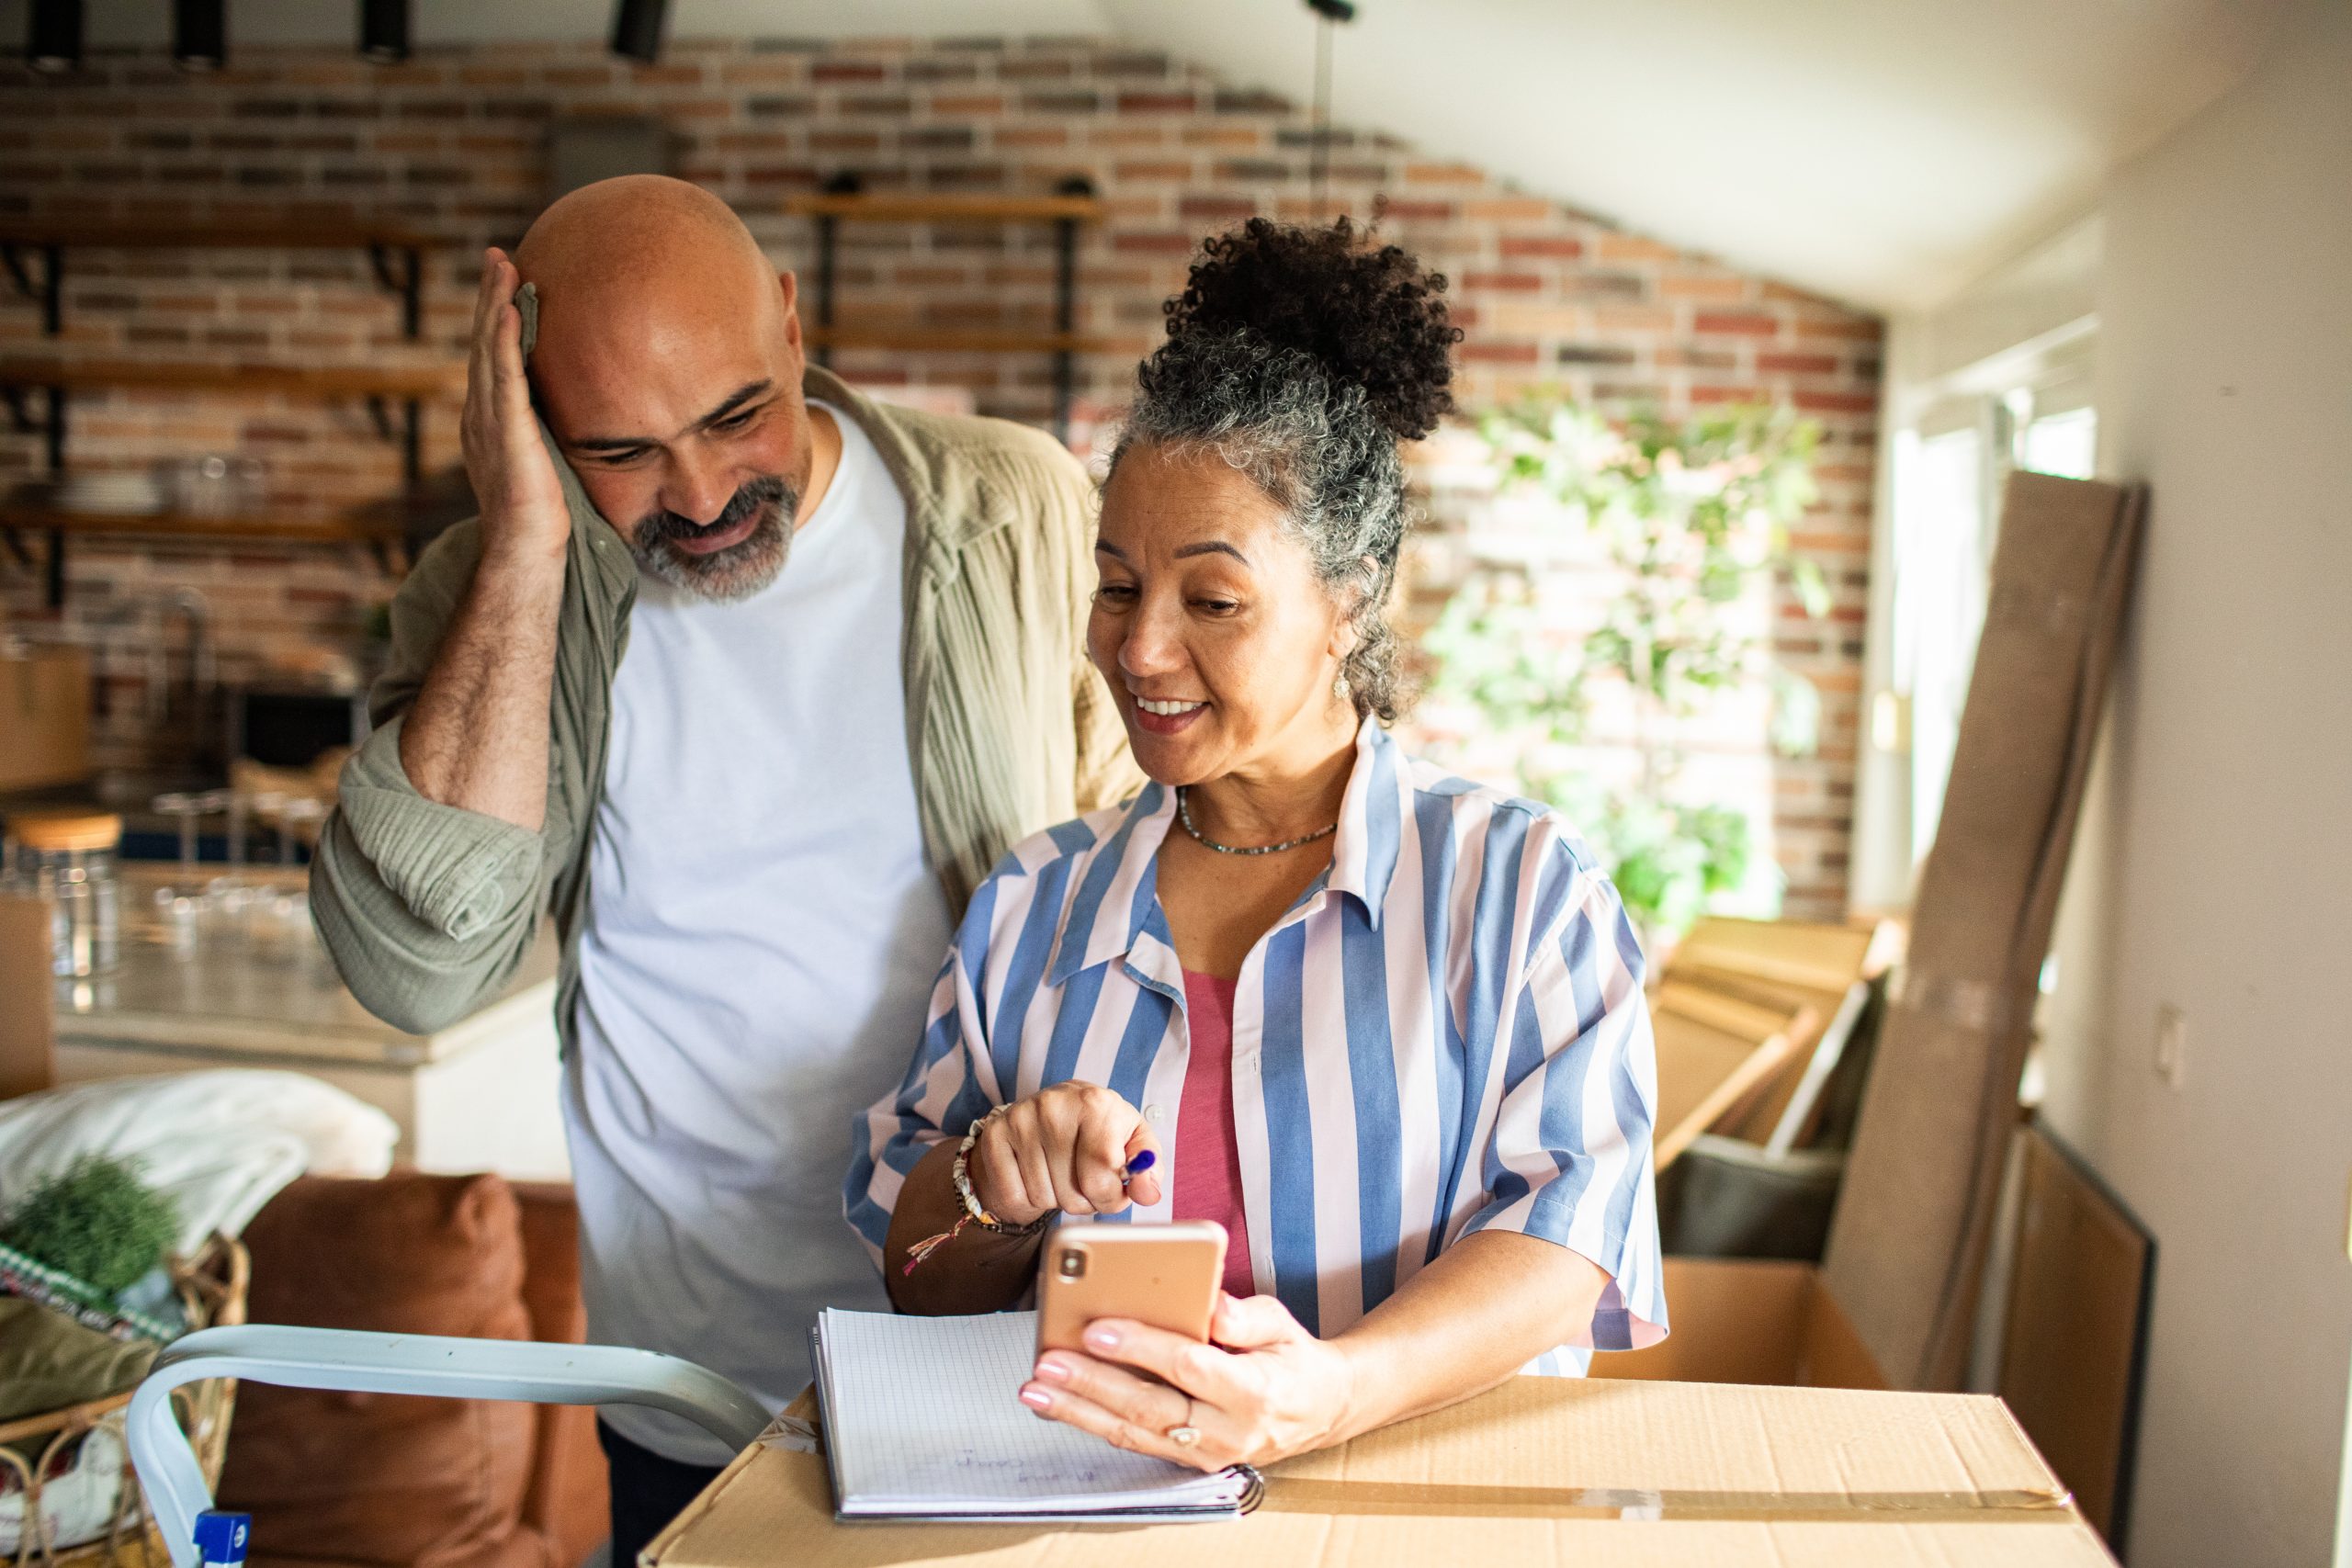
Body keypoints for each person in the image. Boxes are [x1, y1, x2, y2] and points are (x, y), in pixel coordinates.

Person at [310, 175, 1135, 1561]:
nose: (699, 495)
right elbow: (416, 970)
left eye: (734, 414)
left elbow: (1136, 863)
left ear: (794, 327)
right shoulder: (500, 587)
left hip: (996, 1337)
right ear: (532, 424)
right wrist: (524, 540)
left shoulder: (1015, 509)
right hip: (685, 1382)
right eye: (622, 448)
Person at [847, 218, 1668, 1472]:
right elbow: (916, 1272)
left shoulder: (1516, 892)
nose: (1140, 650)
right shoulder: (1035, 906)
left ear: (1348, 601)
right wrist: (987, 1183)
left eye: (1212, 600)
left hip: (1426, 1533)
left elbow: (1572, 1242)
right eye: (1118, 586)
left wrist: (1330, 1393)